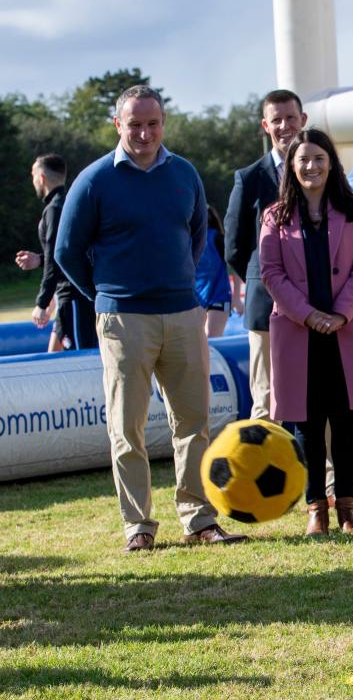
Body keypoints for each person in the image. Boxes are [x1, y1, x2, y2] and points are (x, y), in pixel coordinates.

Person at [55, 85, 247, 552]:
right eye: (134, 124)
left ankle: (199, 519)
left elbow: (197, 239)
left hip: (183, 314)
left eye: (153, 123)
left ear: (164, 123)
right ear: (118, 125)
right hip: (123, 319)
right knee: (127, 428)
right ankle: (138, 527)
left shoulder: (184, 174)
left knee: (195, 423)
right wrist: (107, 295)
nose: (144, 133)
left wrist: (176, 288)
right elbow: (66, 251)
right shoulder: (95, 180)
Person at [259, 128, 353, 536]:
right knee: (307, 425)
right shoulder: (275, 215)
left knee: (346, 421)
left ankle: (348, 507)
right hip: (299, 335)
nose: (311, 166)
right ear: (292, 166)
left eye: (319, 158)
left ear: (331, 163)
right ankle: (316, 507)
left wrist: (339, 314)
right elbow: (271, 272)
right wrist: (308, 315)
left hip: (346, 331)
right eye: (303, 160)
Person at [226, 89, 306, 420]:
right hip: (265, 305)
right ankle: (261, 470)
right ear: (265, 125)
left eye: (290, 118)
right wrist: (262, 279)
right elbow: (234, 245)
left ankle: (325, 472)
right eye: (277, 120)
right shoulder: (249, 178)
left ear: (303, 120)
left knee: (315, 393)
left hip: (314, 302)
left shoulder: (321, 170)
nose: (284, 126)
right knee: (266, 397)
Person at [15, 153, 98, 352]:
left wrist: (42, 303)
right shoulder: (68, 204)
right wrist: (39, 260)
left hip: (74, 298)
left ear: (41, 178)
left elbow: (57, 258)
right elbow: (66, 253)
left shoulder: (54, 209)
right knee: (53, 352)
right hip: (71, 297)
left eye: (33, 175)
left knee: (81, 357)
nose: (33, 180)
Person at [197, 204, 235, 337]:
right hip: (196, 299)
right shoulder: (188, 241)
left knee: (210, 338)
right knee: (202, 340)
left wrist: (236, 298)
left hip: (218, 296)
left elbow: (233, 265)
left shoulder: (217, 239)